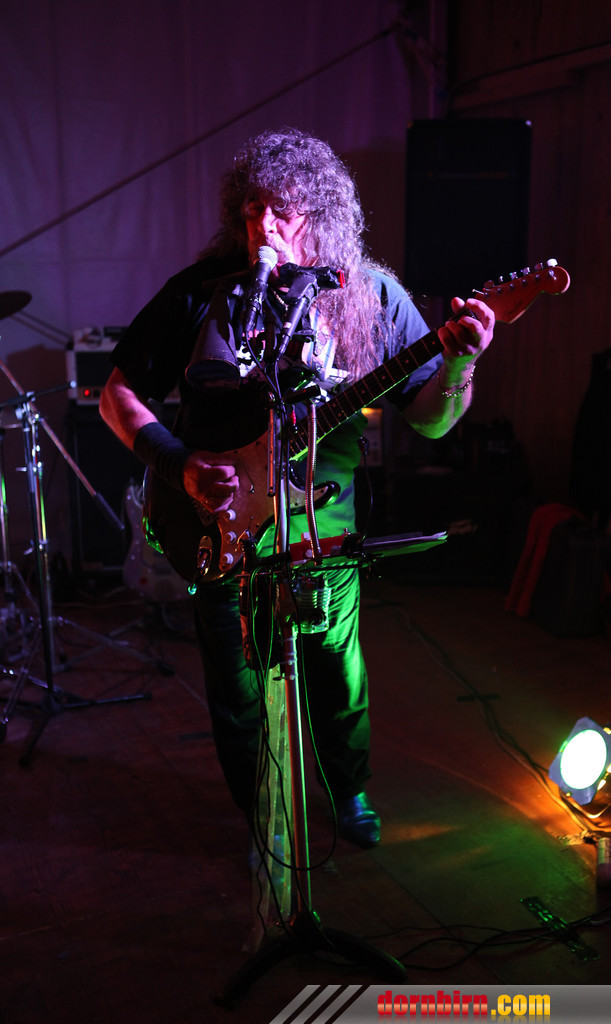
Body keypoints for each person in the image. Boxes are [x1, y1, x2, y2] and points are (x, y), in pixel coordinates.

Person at [99, 127, 495, 849]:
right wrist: (178, 463)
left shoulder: (371, 296)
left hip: (325, 532)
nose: (264, 227)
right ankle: (262, 813)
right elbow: (116, 396)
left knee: (337, 670)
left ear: (322, 213)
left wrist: (460, 364)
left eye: (281, 211)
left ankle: (349, 791)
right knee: (237, 683)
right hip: (221, 525)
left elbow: (432, 421)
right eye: (252, 210)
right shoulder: (203, 292)